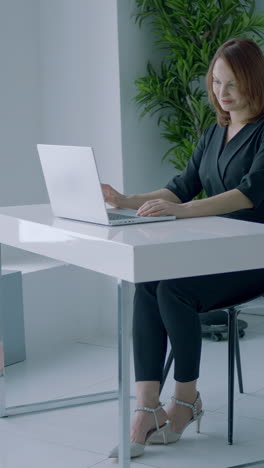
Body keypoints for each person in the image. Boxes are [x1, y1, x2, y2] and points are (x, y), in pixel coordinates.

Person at [105, 38, 264, 459]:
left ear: (254, 81)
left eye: (232, 83)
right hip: (214, 251)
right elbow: (179, 188)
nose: (222, 93)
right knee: (148, 281)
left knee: (174, 289)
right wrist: (125, 200)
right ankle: (146, 407)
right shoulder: (214, 131)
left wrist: (185, 212)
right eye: (215, 82)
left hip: (253, 256)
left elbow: (248, 195)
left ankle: (186, 400)